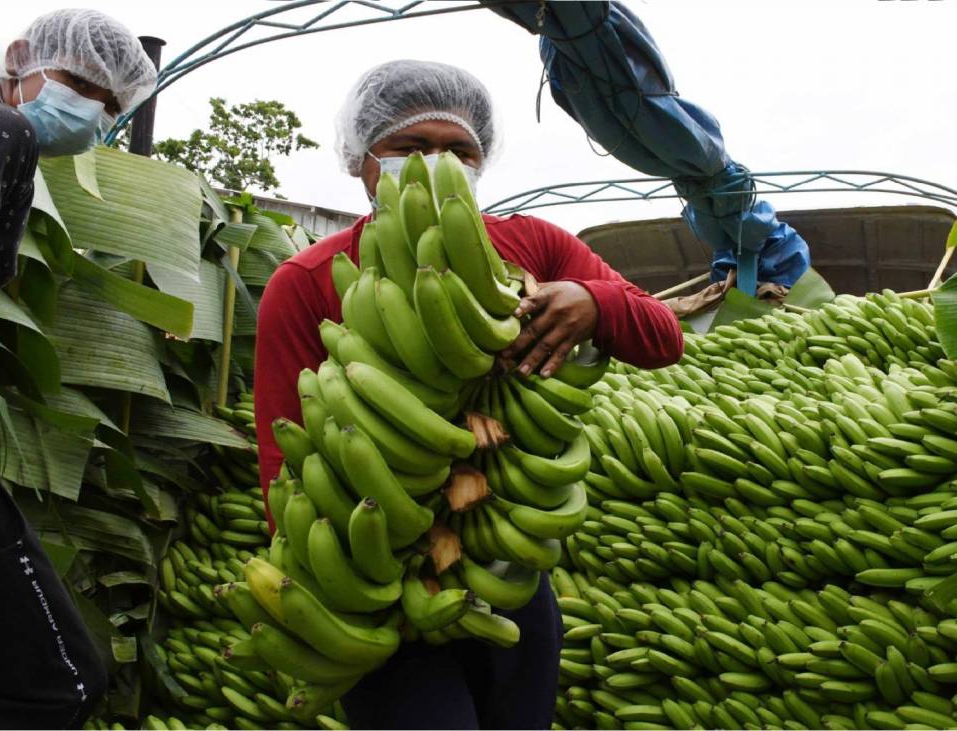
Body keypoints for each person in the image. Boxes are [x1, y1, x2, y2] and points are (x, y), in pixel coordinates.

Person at [254, 59, 684, 729]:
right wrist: (341, 579)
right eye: (409, 146)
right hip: (380, 568)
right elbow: (287, 461)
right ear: (361, 159)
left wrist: (595, 303)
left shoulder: (532, 246)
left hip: (504, 563)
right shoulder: (309, 281)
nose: (437, 163)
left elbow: (663, 338)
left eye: (460, 148)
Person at [0, 10, 157, 728]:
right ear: (20, 56)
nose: (92, 114)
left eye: (109, 107)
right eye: (80, 84)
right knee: (61, 680)